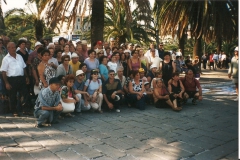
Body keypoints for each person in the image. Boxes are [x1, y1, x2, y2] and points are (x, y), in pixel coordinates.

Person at [1, 42, 30, 116]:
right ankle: (14, 111)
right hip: (12, 79)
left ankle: (25, 110)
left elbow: (24, 67)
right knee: (12, 96)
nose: (14, 49)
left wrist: (26, 77)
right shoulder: (6, 59)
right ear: (8, 49)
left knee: (25, 94)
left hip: (21, 78)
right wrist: (6, 83)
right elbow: (4, 72)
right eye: (12, 47)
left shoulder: (19, 56)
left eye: (14, 47)